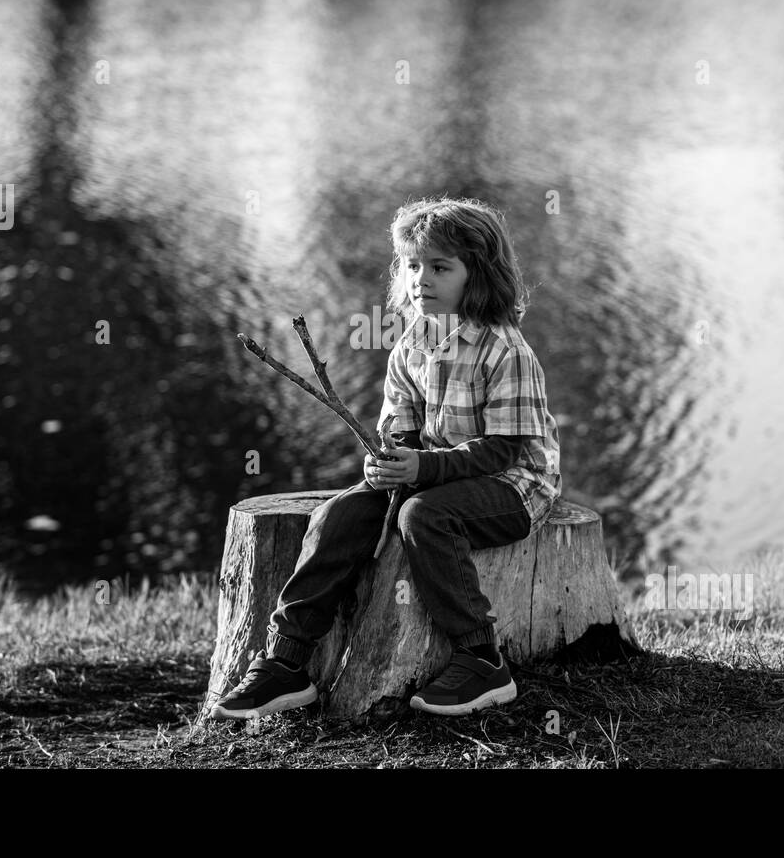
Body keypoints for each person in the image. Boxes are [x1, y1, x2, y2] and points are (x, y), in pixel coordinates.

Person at [209, 197, 561, 719]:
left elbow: (504, 448)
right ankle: (288, 662)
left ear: (478, 274)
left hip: (513, 485)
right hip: (436, 474)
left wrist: (424, 470)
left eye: (440, 267)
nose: (422, 278)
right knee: (341, 512)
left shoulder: (504, 350)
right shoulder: (410, 348)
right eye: (413, 265)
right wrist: (389, 461)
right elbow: (403, 431)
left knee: (424, 515)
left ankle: (483, 658)